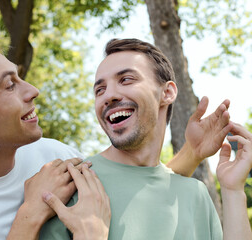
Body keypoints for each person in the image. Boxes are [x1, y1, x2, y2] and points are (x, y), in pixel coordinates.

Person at [0, 27, 232, 239]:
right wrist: (30, 214)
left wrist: (192, 153)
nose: (32, 90)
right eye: (9, 85)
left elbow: (137, 195)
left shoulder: (54, 155)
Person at [39, 38, 252, 239]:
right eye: (99, 89)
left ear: (167, 93)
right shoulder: (72, 184)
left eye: (126, 79)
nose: (108, 95)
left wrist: (233, 190)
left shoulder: (196, 195)